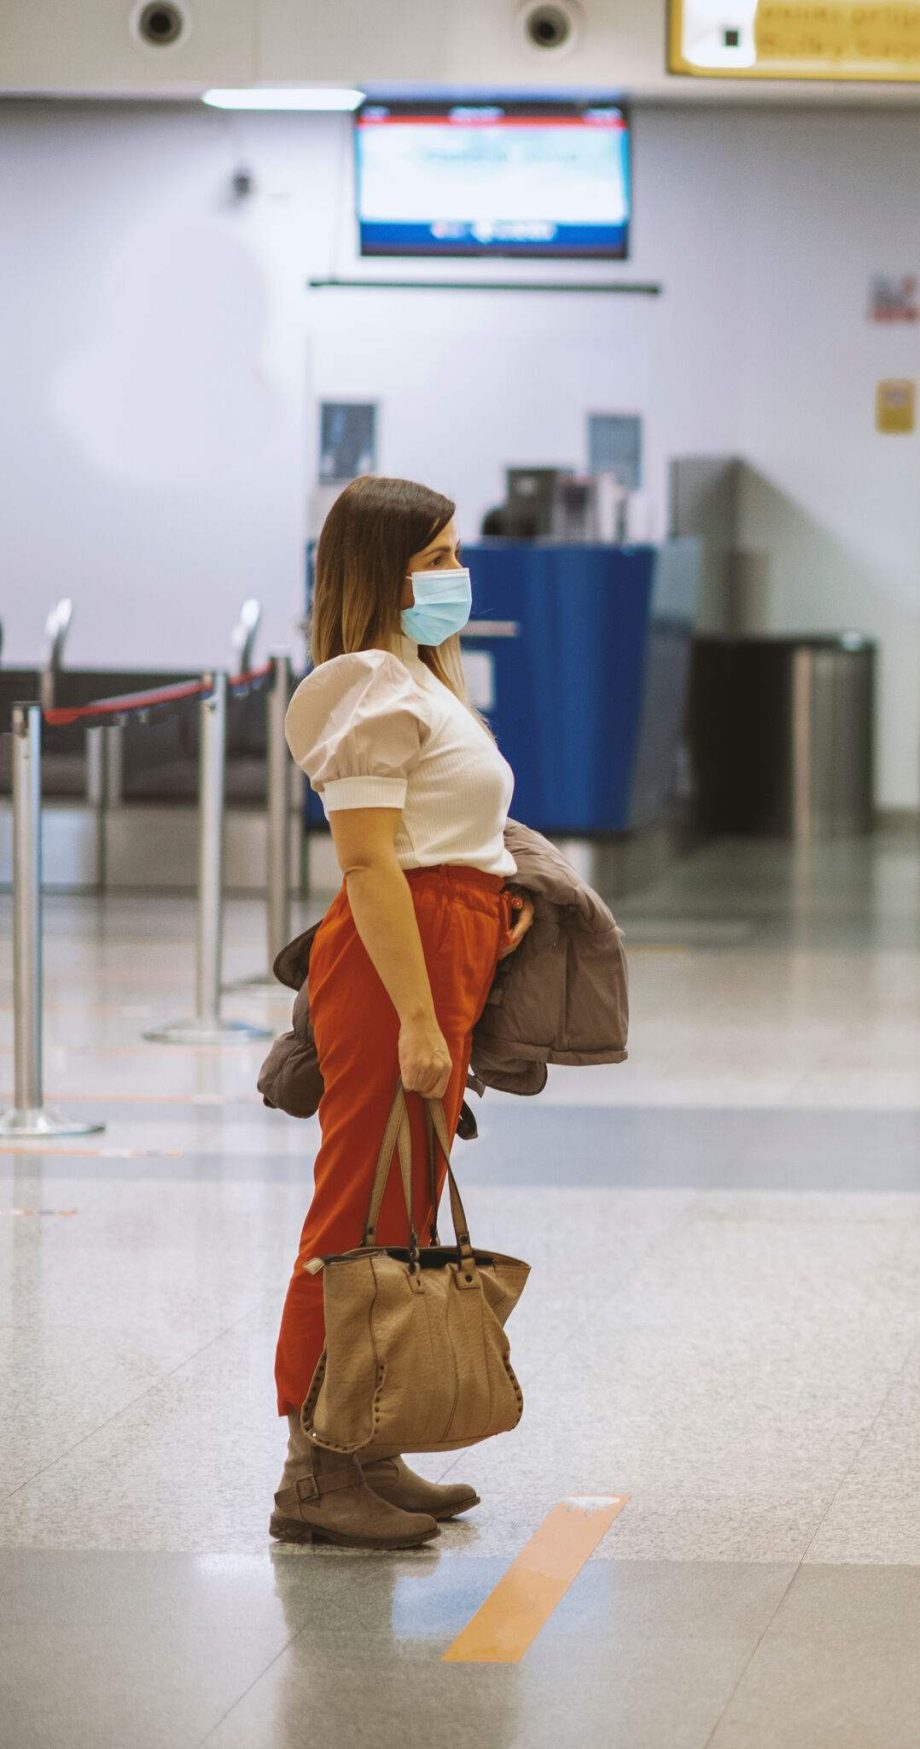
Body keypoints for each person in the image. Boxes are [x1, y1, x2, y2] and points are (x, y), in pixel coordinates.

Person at [269, 476, 532, 1549]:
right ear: (380, 573)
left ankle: (368, 1441)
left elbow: (436, 842)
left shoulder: (417, 681)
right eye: (435, 559)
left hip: (441, 949)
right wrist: (420, 1019)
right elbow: (372, 865)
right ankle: (314, 1471)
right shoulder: (367, 688)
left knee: (403, 1208)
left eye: (454, 555)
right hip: (396, 967)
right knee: (355, 1217)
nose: (454, 578)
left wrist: (489, 917)